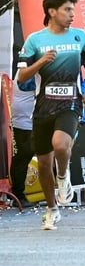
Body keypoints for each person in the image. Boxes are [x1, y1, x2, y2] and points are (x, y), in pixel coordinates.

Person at [17, 0, 85, 230]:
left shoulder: (79, 37)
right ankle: (52, 210)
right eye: (67, 10)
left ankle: (63, 176)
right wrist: (42, 62)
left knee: (61, 144)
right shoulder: (35, 40)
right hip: (43, 105)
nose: (72, 15)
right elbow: (22, 77)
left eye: (73, 10)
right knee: (43, 164)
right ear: (52, 11)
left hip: (70, 102)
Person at [9, 65, 36, 209]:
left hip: (26, 119)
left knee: (23, 155)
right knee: (22, 155)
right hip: (22, 120)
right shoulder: (27, 70)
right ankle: (17, 194)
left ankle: (18, 193)